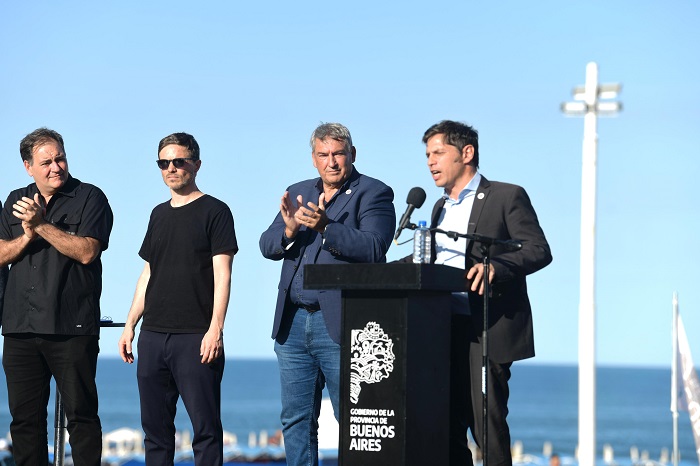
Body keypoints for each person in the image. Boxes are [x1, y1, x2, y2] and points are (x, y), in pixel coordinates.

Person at [260, 122, 396, 465]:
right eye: (323, 155)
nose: (331, 162)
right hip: (292, 324)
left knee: (356, 419)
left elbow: (375, 247)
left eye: (338, 154)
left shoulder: (374, 192)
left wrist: (326, 227)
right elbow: (267, 244)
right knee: (296, 420)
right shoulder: (299, 190)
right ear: (313, 158)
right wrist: (289, 229)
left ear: (352, 154)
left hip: (342, 324)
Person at [419, 120, 552, 466]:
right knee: (447, 424)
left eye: (438, 153)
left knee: (486, 426)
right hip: (442, 327)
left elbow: (538, 249)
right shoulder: (438, 207)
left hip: (486, 328)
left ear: (466, 153)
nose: (430, 162)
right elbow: (431, 258)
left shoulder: (506, 196)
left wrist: (496, 268)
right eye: (427, 155)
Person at [118, 132, 238, 465]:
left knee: (205, 430)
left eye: (179, 161)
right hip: (153, 336)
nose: (171, 168)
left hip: (196, 337)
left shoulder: (215, 211)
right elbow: (147, 274)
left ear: (196, 164)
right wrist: (130, 325)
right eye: (164, 163)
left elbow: (222, 275)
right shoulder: (158, 214)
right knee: (155, 433)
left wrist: (216, 329)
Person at [0, 127, 114, 466]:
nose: (56, 167)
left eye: (60, 158)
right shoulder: (14, 200)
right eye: (46, 161)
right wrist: (25, 238)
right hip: (20, 327)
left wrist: (41, 226)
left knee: (81, 418)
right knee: (24, 423)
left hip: (71, 327)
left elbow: (87, 252)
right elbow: (2, 253)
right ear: (28, 167)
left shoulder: (91, 197)